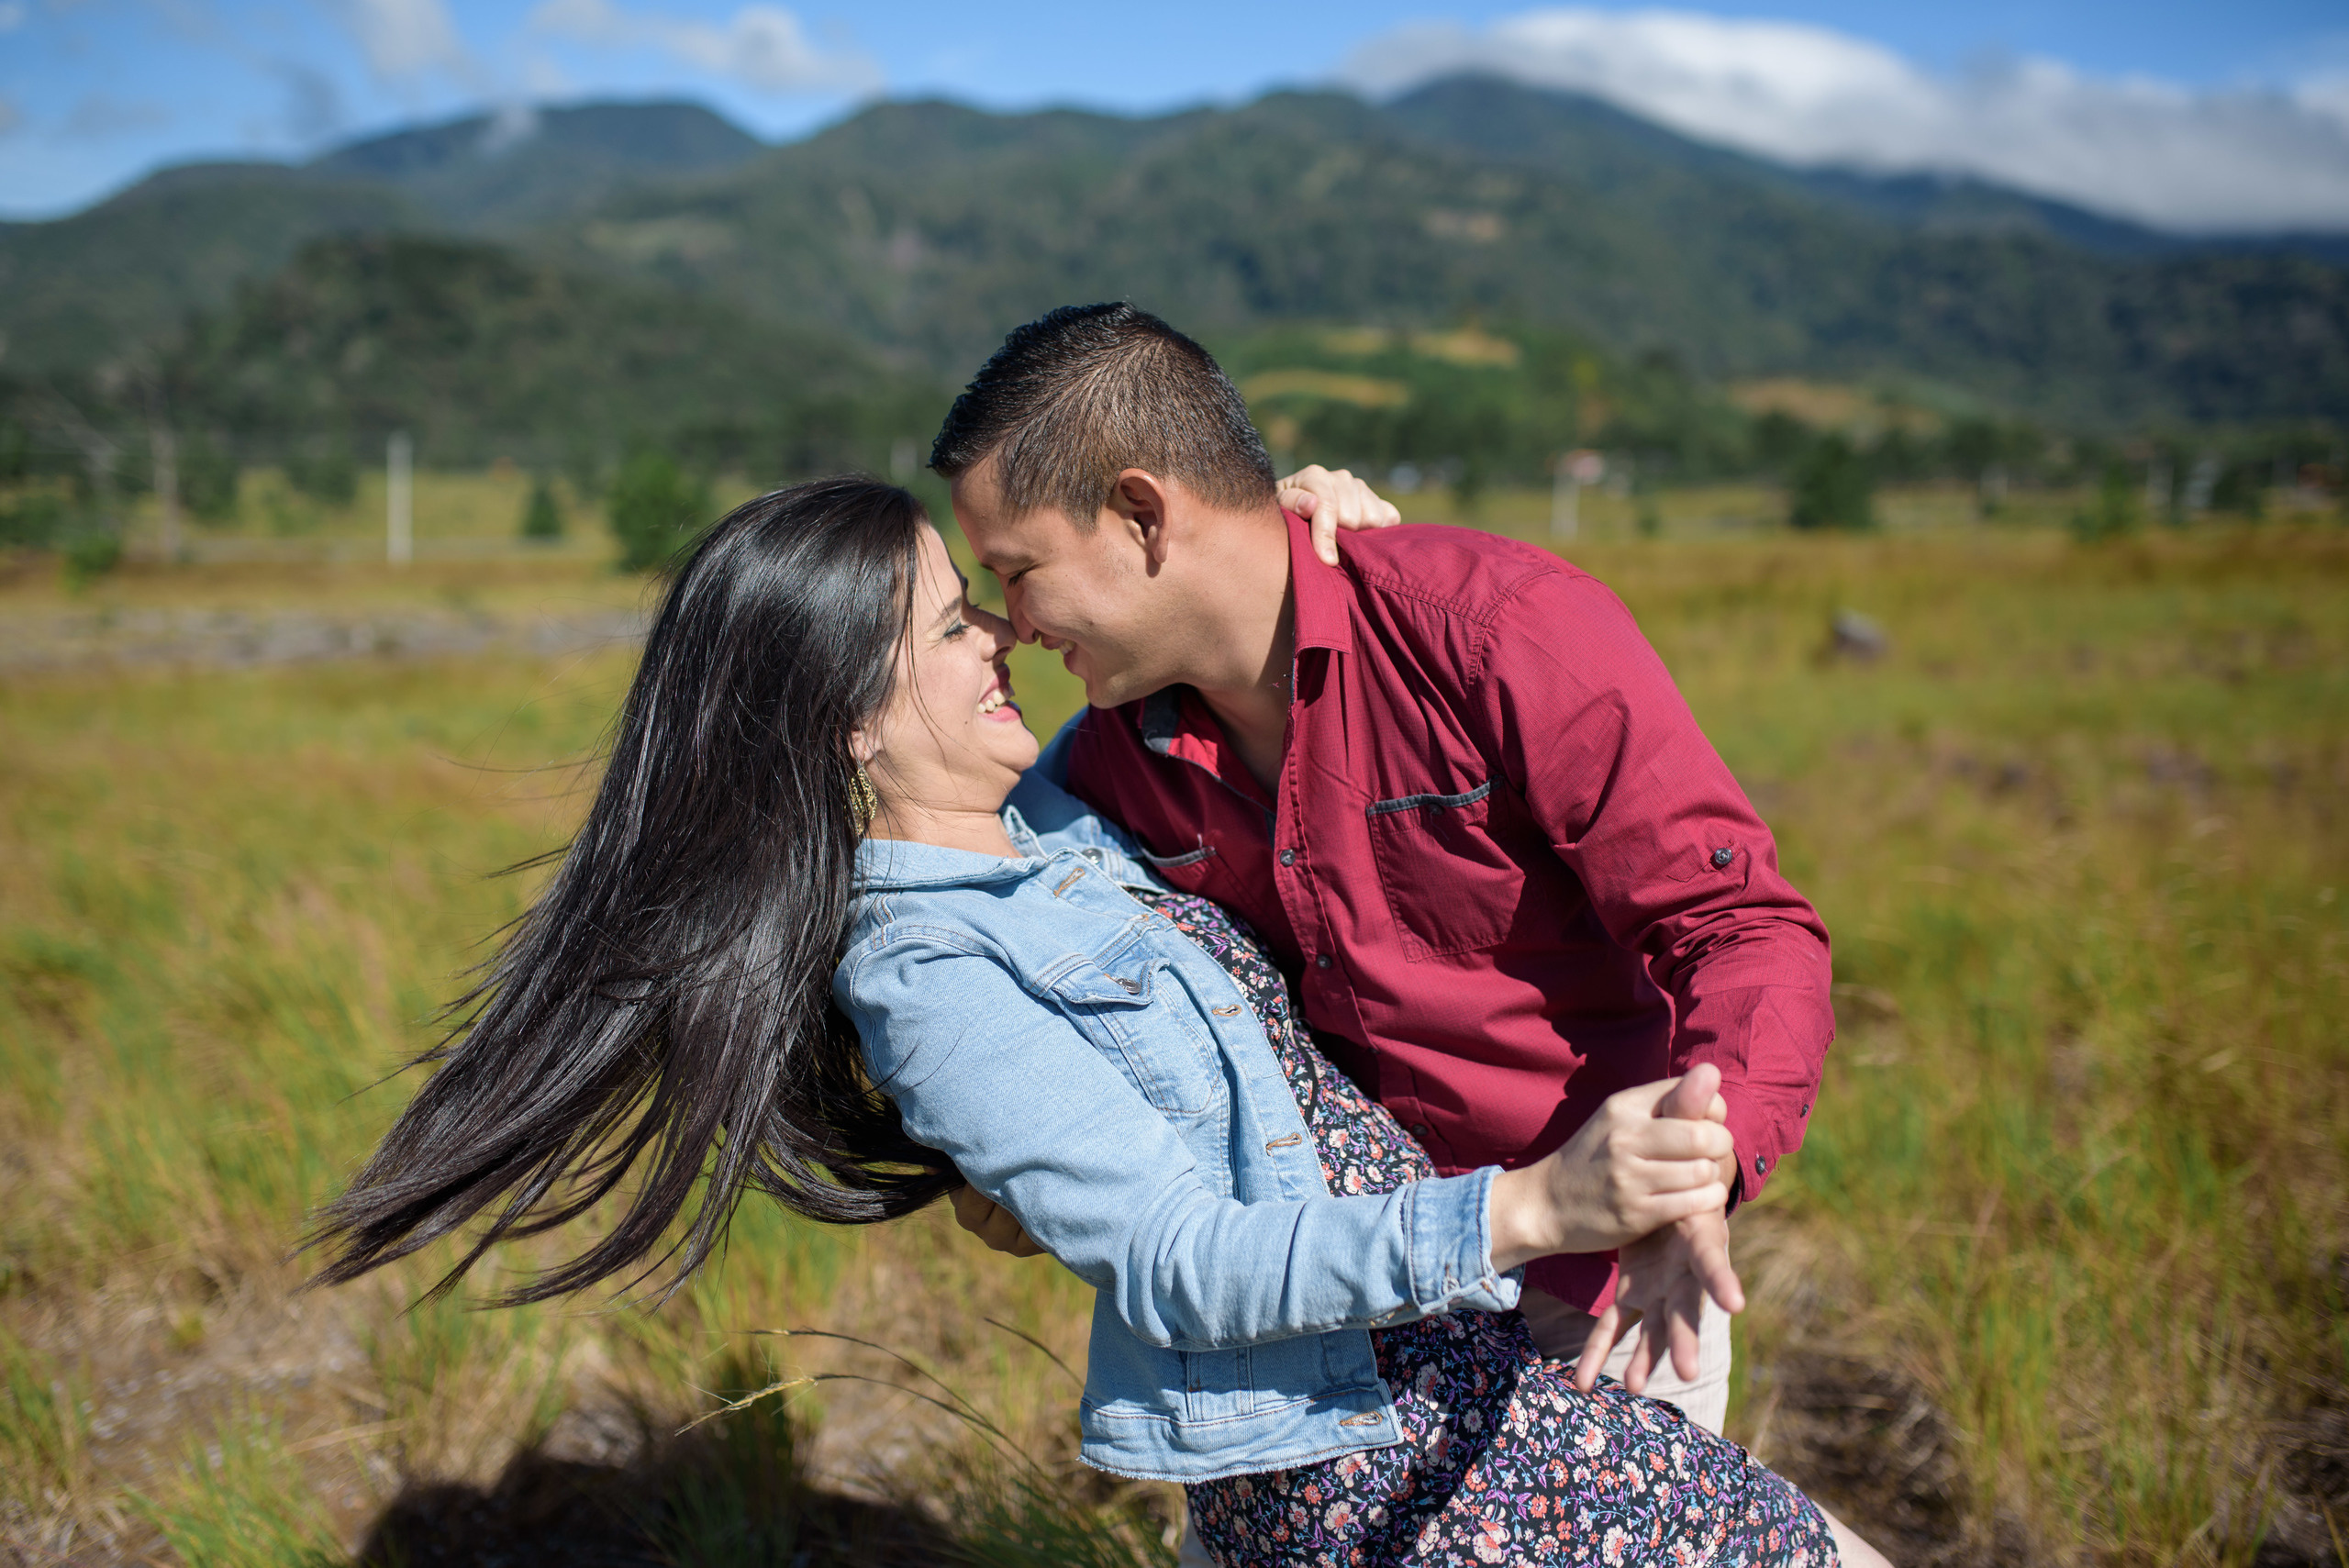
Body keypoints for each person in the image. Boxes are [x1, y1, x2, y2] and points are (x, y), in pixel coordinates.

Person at [307, 474, 1888, 1565]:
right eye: (946, 622)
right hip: (1370, 1451)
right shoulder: (924, 975)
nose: (998, 634)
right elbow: (1182, 1261)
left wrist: (1303, 554)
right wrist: (1540, 1202)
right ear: (845, 724)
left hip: (1477, 1375)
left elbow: (1231, 669)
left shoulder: (1057, 815)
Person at [930, 304, 1837, 1441]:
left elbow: (1738, 924)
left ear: (1141, 513)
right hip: (1322, 1311)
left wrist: (1698, 1165)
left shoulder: (1494, 633)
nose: (1008, 622)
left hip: (1595, 1295)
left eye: (1018, 572)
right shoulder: (1111, 760)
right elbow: (974, 932)